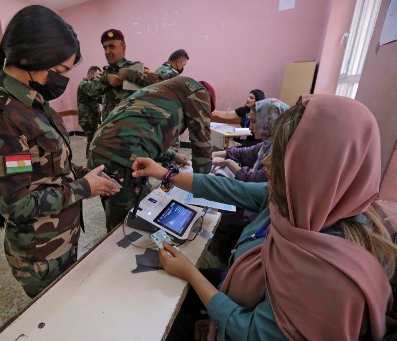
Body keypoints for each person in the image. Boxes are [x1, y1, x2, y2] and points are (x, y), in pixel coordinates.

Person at [132, 94, 397, 340]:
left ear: (318, 169)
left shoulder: (331, 280)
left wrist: (190, 273)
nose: (266, 161)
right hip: (236, 288)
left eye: (281, 156)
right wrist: (164, 174)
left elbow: (251, 332)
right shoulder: (301, 202)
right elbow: (229, 188)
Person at [0, 5, 120, 298]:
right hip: (40, 253)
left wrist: (88, 174)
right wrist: (84, 188)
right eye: (58, 71)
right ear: (28, 58)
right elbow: (17, 205)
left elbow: (48, 169)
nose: (61, 80)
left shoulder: (32, 102)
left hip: (62, 235)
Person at [88, 77, 215, 232]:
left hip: (101, 148)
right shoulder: (199, 92)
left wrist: (172, 156)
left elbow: (144, 133)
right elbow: (202, 144)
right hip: (123, 158)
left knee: (115, 209)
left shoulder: (172, 89)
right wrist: (204, 186)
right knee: (131, 224)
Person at [79, 29, 162, 121]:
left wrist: (130, 74)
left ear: (123, 47)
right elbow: (91, 91)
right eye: (105, 48)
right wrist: (106, 79)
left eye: (111, 46)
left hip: (131, 128)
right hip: (109, 127)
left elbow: (158, 84)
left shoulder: (135, 68)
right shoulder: (104, 73)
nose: (107, 52)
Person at [211, 98, 289, 182]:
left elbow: (254, 179)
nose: (250, 127)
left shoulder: (281, 152)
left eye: (254, 122)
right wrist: (214, 154)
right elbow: (244, 153)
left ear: (270, 121)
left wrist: (229, 163)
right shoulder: (267, 145)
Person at [155, 49, 190, 155]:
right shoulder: (173, 75)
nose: (183, 67)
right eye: (183, 64)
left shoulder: (158, 70)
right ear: (178, 62)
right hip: (169, 118)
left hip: (155, 117)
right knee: (172, 151)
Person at [77, 65, 102, 156]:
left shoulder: (89, 84)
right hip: (87, 119)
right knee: (91, 140)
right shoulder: (84, 84)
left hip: (92, 118)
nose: (98, 78)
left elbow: (99, 98)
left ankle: (90, 157)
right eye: (97, 75)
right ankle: (89, 158)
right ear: (91, 74)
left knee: (92, 140)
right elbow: (95, 93)